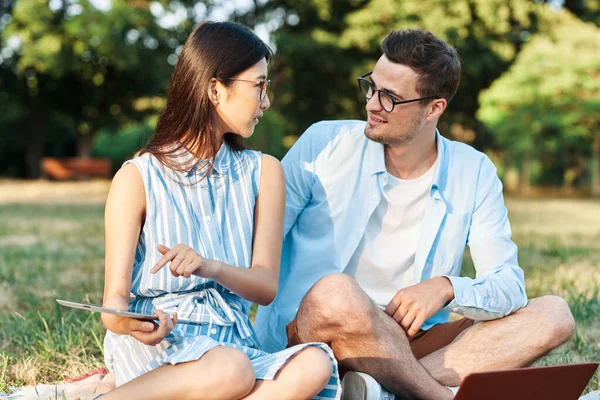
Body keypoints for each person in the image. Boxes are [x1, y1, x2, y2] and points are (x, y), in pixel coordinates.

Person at [254, 28, 575, 400]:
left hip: (408, 343)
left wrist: (447, 287)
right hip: (315, 339)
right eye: (371, 87)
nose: (372, 104)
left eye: (390, 98)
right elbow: (259, 240)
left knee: (553, 314)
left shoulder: (474, 171)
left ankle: (378, 390)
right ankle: (435, 395)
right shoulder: (323, 144)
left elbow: (508, 285)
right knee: (335, 292)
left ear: (434, 108)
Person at [98, 21, 340, 400]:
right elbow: (113, 304)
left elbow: (265, 287)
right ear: (215, 89)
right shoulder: (138, 178)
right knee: (231, 370)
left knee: (315, 364)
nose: (266, 101)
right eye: (259, 86)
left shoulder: (265, 172)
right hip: (159, 348)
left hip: (235, 344)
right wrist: (133, 324)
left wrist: (208, 266)